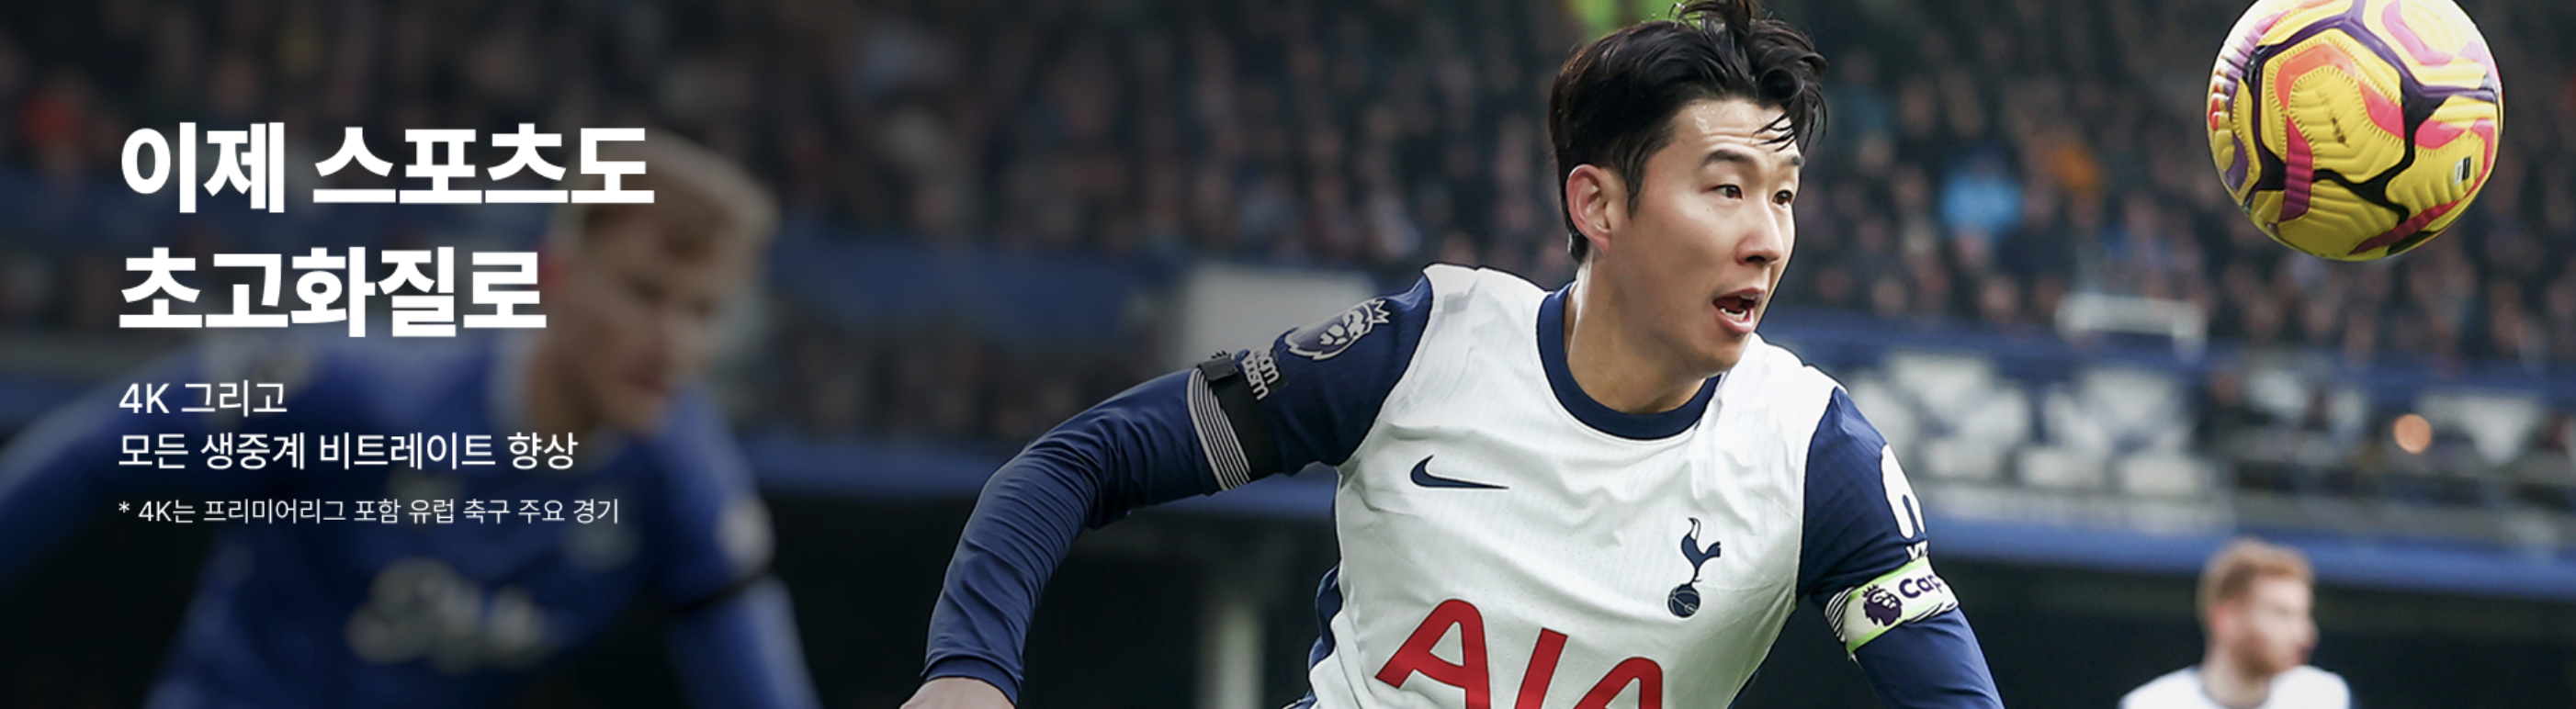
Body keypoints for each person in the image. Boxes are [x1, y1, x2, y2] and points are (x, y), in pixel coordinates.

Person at [898, 2, 2003, 707]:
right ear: (1597, 203)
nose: (1765, 236)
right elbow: (1072, 463)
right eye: (1725, 188)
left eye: (1783, 196)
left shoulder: (1811, 453)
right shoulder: (1422, 352)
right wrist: (967, 673)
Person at [0, 135, 820, 709]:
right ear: (554, 276)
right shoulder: (352, 385)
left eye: (705, 310)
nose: (674, 343)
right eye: (644, 293)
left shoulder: (681, 473)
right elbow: (95, 452)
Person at [2120, 538, 2350, 709]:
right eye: (2281, 615)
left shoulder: (2324, 698)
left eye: (2303, 615)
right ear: (2227, 619)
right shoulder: (2153, 704)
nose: (2304, 634)